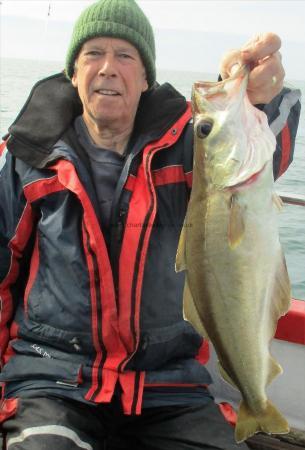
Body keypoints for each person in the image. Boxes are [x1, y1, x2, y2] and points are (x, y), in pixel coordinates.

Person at [0, 1, 301, 449]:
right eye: (92, 54)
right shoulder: (29, 156)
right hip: (53, 377)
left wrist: (258, 94)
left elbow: (253, 147)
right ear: (73, 73)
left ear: (145, 78)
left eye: (125, 56)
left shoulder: (189, 150)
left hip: (171, 385)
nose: (107, 68)